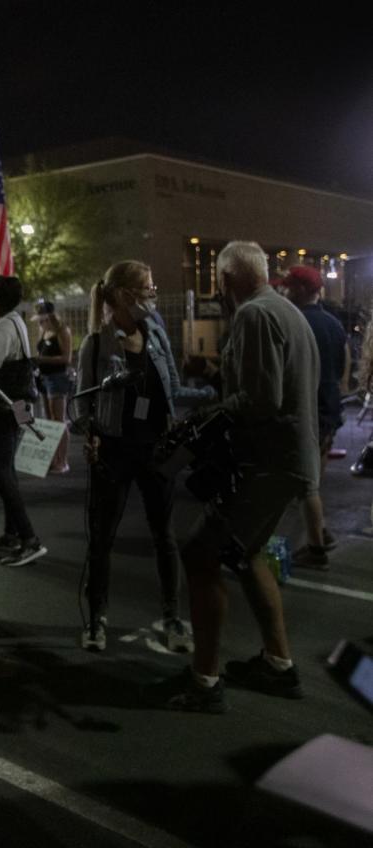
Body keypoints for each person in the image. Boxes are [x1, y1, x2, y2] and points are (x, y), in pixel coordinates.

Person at [142, 241, 319, 713]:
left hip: (268, 464)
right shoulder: (286, 311)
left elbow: (261, 399)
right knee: (247, 555)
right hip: (287, 463)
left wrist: (200, 420)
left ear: (225, 281)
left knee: (199, 553)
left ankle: (205, 682)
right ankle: (278, 666)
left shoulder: (254, 315)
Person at [75, 261, 193, 654]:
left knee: (165, 537)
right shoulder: (96, 344)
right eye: (148, 288)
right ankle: (96, 618)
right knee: (102, 539)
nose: (153, 294)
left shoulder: (155, 334)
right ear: (125, 295)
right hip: (115, 451)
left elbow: (173, 387)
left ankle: (173, 615)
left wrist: (214, 397)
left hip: (157, 449)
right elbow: (82, 405)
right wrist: (89, 434)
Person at [0, 275, 47, 568]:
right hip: (20, 401)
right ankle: (11, 532)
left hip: (8, 403)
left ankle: (30, 538)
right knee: (7, 467)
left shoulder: (4, 327)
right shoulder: (14, 320)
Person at [280, 265, 347, 569]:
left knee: (304, 484)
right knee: (312, 481)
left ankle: (316, 548)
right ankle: (320, 532)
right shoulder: (334, 324)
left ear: (304, 290)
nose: (285, 292)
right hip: (330, 410)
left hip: (307, 411)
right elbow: (344, 367)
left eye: (290, 287)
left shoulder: (294, 321)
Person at [32, 299, 72, 474]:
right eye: (40, 319)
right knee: (50, 422)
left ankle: (62, 461)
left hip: (57, 377)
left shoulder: (62, 331)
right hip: (43, 378)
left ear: (52, 317)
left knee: (59, 421)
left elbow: (66, 358)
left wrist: (42, 360)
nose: (41, 323)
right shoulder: (43, 331)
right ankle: (54, 459)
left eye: (44, 319)